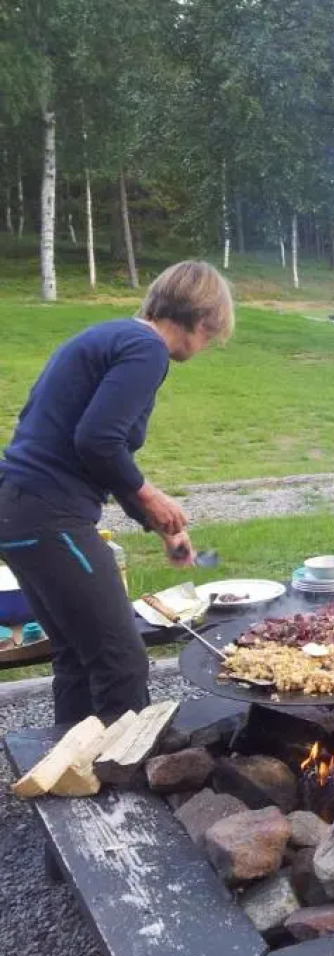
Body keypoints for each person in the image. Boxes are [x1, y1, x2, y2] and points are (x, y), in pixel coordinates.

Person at [0, 261, 234, 727]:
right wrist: (149, 495)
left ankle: (75, 773)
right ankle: (122, 785)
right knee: (120, 660)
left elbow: (94, 449)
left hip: (18, 510)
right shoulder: (148, 349)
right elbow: (97, 440)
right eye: (212, 333)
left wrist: (158, 523)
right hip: (50, 515)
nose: (208, 343)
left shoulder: (111, 336)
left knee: (76, 654)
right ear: (202, 319)